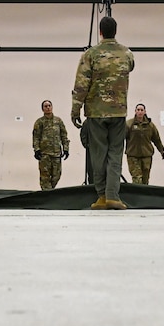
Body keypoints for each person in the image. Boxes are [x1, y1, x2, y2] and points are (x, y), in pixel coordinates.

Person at [71, 16, 135, 210]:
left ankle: (101, 196)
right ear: (115, 31)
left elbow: (81, 84)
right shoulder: (126, 53)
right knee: (115, 154)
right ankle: (113, 196)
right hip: (118, 111)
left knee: (98, 154)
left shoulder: (91, 54)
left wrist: (76, 109)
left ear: (100, 32)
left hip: (96, 112)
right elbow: (131, 67)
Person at [31, 100, 70, 190]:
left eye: (49, 105)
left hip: (56, 153)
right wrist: (36, 150)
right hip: (44, 154)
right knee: (45, 177)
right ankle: (47, 194)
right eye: (45, 106)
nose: (48, 107)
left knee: (57, 176)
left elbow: (64, 135)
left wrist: (66, 149)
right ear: (42, 109)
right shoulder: (39, 122)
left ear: (52, 107)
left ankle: (49, 192)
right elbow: (36, 137)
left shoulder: (58, 121)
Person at [124, 103, 164, 185]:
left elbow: (156, 138)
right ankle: (136, 197)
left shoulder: (150, 125)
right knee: (137, 179)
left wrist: (161, 150)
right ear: (135, 111)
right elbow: (121, 138)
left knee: (145, 180)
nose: (140, 112)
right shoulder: (129, 124)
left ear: (145, 112)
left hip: (146, 156)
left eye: (142, 110)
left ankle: (144, 196)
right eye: (138, 110)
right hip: (133, 155)